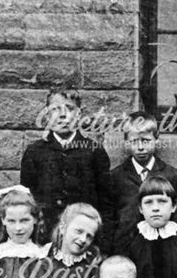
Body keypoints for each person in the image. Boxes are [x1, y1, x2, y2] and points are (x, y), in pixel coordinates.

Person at [20, 88, 116, 251]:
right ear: (47, 115)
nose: (63, 115)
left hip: (85, 241)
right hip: (45, 240)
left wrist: (103, 245)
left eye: (69, 109)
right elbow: (28, 201)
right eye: (55, 109)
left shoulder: (93, 151)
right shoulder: (35, 152)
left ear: (79, 115)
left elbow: (107, 204)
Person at [109, 111, 177, 250]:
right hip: (127, 245)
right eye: (134, 141)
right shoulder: (116, 176)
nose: (140, 147)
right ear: (126, 142)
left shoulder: (171, 175)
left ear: (156, 139)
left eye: (146, 140)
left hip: (162, 245)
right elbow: (111, 216)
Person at [29, 203, 104, 278]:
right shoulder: (45, 263)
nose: (83, 239)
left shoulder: (94, 264)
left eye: (89, 236)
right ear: (63, 228)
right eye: (79, 231)